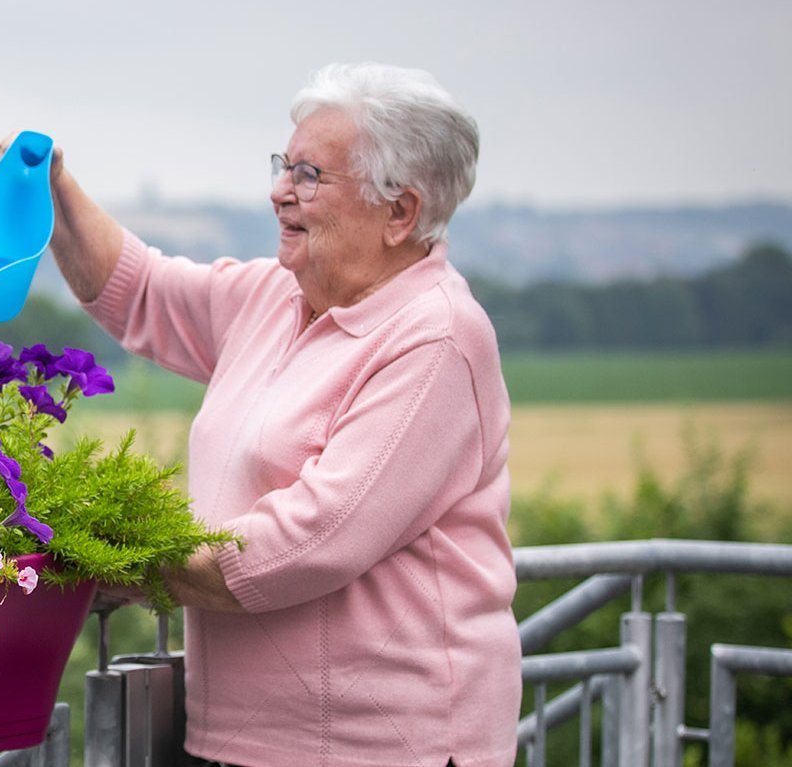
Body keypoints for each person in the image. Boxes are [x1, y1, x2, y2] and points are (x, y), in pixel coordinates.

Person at [38, 63, 518, 765]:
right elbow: (138, 291)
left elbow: (307, 543)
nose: (278, 192)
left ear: (401, 212)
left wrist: (113, 560)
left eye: (309, 175)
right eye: (283, 165)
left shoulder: (437, 337)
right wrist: (53, 195)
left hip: (384, 748)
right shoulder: (273, 296)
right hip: (241, 738)